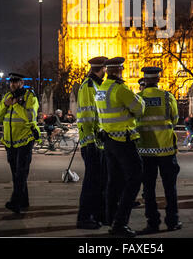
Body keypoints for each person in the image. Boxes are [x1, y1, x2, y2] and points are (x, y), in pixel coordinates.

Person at [94, 57, 145, 238]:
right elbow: (139, 109)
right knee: (135, 177)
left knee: (114, 181)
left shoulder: (101, 89)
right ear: (120, 70)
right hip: (123, 140)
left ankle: (111, 218)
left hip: (108, 141)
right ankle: (120, 222)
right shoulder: (120, 89)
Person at [137, 67, 181, 234]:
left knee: (148, 188)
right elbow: (175, 119)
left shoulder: (138, 98)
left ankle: (152, 222)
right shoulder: (167, 96)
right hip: (166, 150)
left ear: (145, 80)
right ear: (158, 79)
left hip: (145, 151)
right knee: (170, 187)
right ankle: (173, 220)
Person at [0, 73, 41, 214]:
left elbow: (30, 118)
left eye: (15, 81)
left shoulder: (30, 97)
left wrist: (17, 105)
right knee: (16, 174)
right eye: (11, 82)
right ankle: (24, 201)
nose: (12, 84)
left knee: (21, 173)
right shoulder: (7, 97)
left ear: (22, 82)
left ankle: (15, 202)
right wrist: (5, 104)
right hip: (10, 142)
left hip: (25, 140)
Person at [76, 56, 108, 230]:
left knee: (99, 182)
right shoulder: (89, 86)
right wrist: (94, 138)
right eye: (105, 68)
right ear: (101, 68)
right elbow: (88, 115)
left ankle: (98, 214)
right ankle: (84, 217)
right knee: (91, 182)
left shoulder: (96, 85)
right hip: (91, 142)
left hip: (97, 141)